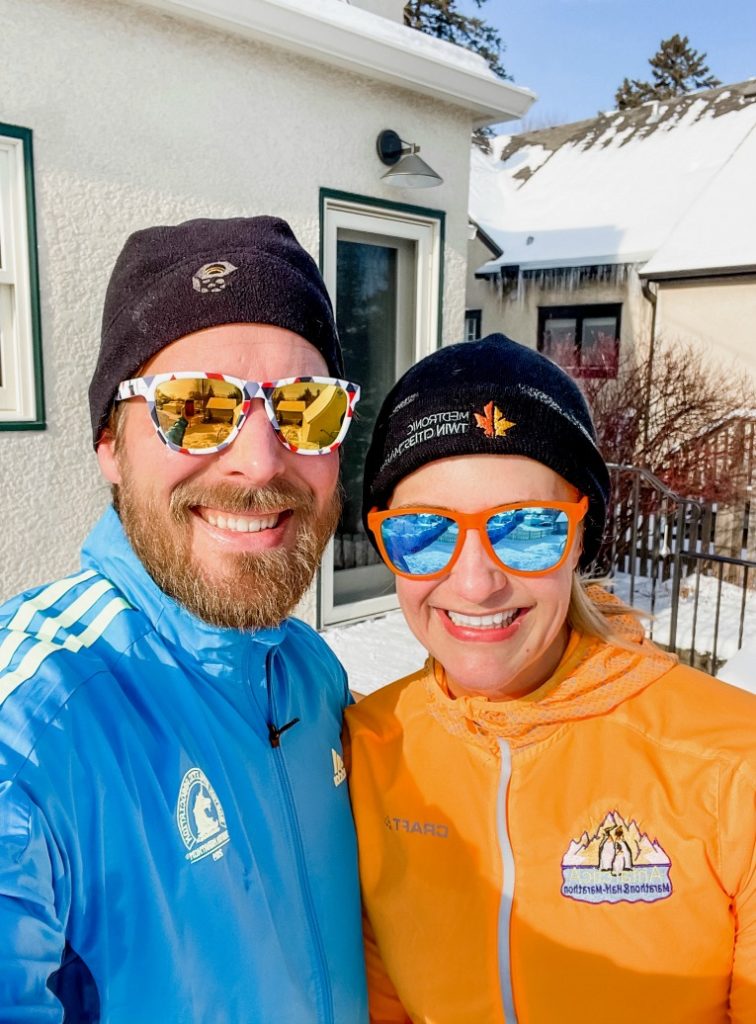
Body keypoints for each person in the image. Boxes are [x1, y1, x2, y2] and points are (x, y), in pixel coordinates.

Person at [0, 217, 368, 1022]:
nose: (260, 460)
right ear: (109, 442)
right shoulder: (34, 721)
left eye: (305, 408)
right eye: (196, 407)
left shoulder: (311, 674)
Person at [345, 335, 756, 1023]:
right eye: (424, 532)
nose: (475, 583)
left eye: (527, 529)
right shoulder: (367, 754)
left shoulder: (734, 764)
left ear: (580, 538)